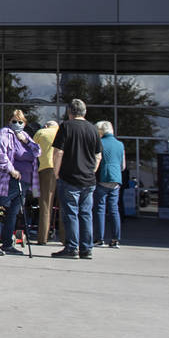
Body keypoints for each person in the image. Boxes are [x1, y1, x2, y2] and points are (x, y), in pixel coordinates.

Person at [52, 99, 102, 259]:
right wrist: (91, 171)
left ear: (69, 112)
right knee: (86, 214)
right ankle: (86, 249)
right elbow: (98, 156)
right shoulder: (93, 129)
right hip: (88, 180)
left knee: (71, 214)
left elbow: (58, 152)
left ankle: (72, 248)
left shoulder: (66, 126)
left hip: (69, 178)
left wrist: (56, 172)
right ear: (84, 112)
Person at [0, 110, 38, 256]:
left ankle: (7, 243)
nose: (17, 124)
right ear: (9, 121)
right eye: (14, 121)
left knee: (13, 213)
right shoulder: (3, 134)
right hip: (7, 180)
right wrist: (11, 170)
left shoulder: (25, 136)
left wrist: (26, 140)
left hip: (24, 181)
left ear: (24, 123)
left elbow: (37, 151)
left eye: (20, 122)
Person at [93, 121, 125, 247]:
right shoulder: (120, 144)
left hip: (103, 177)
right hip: (116, 178)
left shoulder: (100, 143)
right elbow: (123, 166)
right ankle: (115, 239)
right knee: (114, 209)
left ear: (100, 131)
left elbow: (96, 160)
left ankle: (99, 239)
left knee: (100, 209)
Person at [33, 120, 59, 245]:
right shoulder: (62, 132)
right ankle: (66, 239)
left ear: (46, 126)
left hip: (46, 169)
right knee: (64, 206)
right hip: (63, 170)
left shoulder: (42, 132)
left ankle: (42, 238)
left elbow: (31, 150)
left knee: (45, 204)